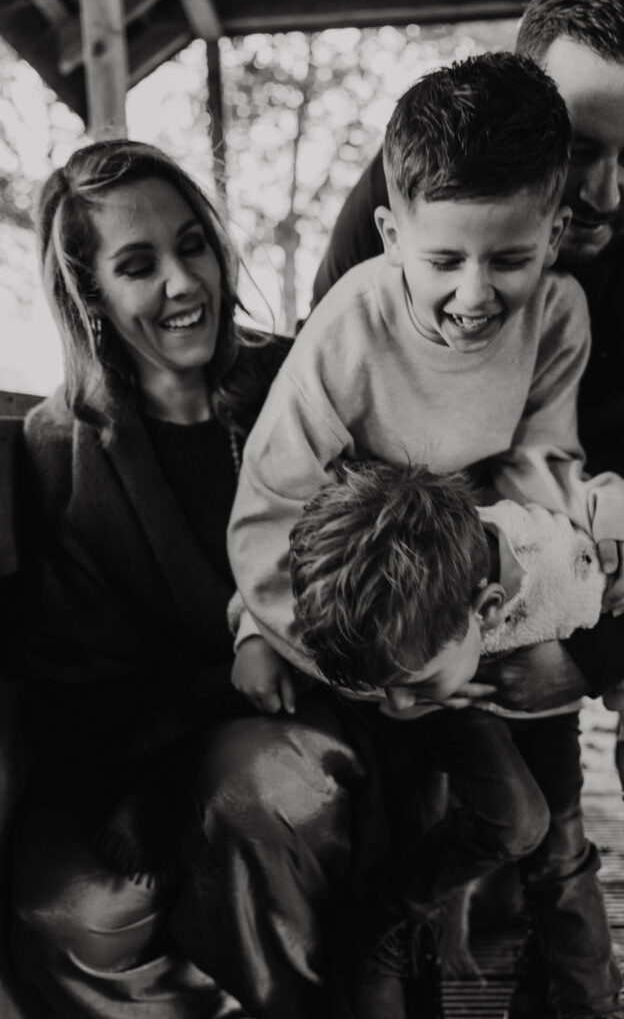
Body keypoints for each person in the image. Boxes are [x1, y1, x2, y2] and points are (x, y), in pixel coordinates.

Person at [227, 53, 624, 1019]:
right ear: (391, 235)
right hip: (376, 609)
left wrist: (602, 520)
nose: (475, 295)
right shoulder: (350, 328)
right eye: (444, 260)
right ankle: (388, 956)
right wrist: (357, 659)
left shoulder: (558, 315)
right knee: (407, 814)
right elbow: (269, 507)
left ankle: (566, 992)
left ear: (553, 234)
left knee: (542, 820)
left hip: (485, 591)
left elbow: (538, 460)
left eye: (508, 258)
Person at [5, 138, 376, 1019]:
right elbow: (83, 669)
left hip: (306, 720)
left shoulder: (302, 378)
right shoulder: (58, 447)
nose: (182, 283)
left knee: (267, 790)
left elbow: (369, 582)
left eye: (193, 246)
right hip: (137, 747)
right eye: (139, 265)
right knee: (62, 910)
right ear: (92, 294)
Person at [289, 459, 624, 1017]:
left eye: (409, 684)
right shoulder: (383, 598)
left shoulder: (565, 567)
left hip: (541, 702)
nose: (396, 704)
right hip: (462, 704)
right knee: (518, 820)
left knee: (561, 850)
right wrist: (256, 636)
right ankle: (384, 913)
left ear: (490, 607)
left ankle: (585, 1002)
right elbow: (292, 598)